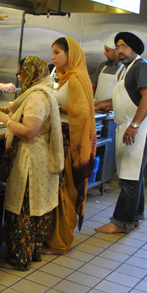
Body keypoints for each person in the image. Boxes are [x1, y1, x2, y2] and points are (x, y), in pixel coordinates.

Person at [0, 56, 64, 271]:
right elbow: (20, 110)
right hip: (41, 161)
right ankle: (32, 252)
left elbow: (29, 130)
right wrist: (1, 109)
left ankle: (19, 258)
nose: (20, 77)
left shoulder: (37, 96)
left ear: (30, 72)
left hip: (32, 162)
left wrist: (4, 120)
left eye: (21, 73)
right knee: (36, 210)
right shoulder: (43, 91)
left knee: (23, 210)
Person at [96, 32, 147, 234]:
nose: (119, 51)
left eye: (123, 46)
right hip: (129, 125)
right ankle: (135, 216)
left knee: (129, 177)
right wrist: (106, 105)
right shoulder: (126, 69)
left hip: (140, 128)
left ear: (134, 48)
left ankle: (121, 223)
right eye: (117, 46)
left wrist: (135, 125)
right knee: (133, 174)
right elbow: (129, 98)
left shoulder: (143, 67)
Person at [44, 37, 96, 255]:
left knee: (65, 189)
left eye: (57, 53)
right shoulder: (67, 78)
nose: (53, 57)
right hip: (61, 137)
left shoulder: (75, 78)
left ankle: (60, 241)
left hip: (68, 141)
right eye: (52, 52)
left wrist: (56, 106)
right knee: (59, 189)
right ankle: (54, 237)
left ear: (70, 54)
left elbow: (81, 112)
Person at [92, 37, 124, 102]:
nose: (105, 53)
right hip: (97, 107)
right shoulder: (103, 66)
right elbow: (92, 85)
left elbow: (124, 94)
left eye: (107, 51)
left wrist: (104, 103)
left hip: (114, 109)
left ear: (116, 51)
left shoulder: (125, 68)